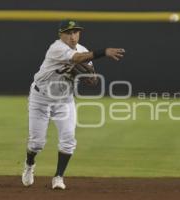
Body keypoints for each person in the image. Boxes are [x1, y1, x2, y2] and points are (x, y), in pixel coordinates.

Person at [21, 19, 125, 189]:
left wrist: (89, 78)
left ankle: (58, 177)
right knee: (36, 143)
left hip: (64, 100)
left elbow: (92, 80)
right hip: (40, 99)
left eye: (76, 32)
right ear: (60, 35)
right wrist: (103, 52)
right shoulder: (56, 48)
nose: (72, 36)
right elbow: (77, 58)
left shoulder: (83, 50)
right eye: (68, 33)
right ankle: (29, 164)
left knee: (68, 140)